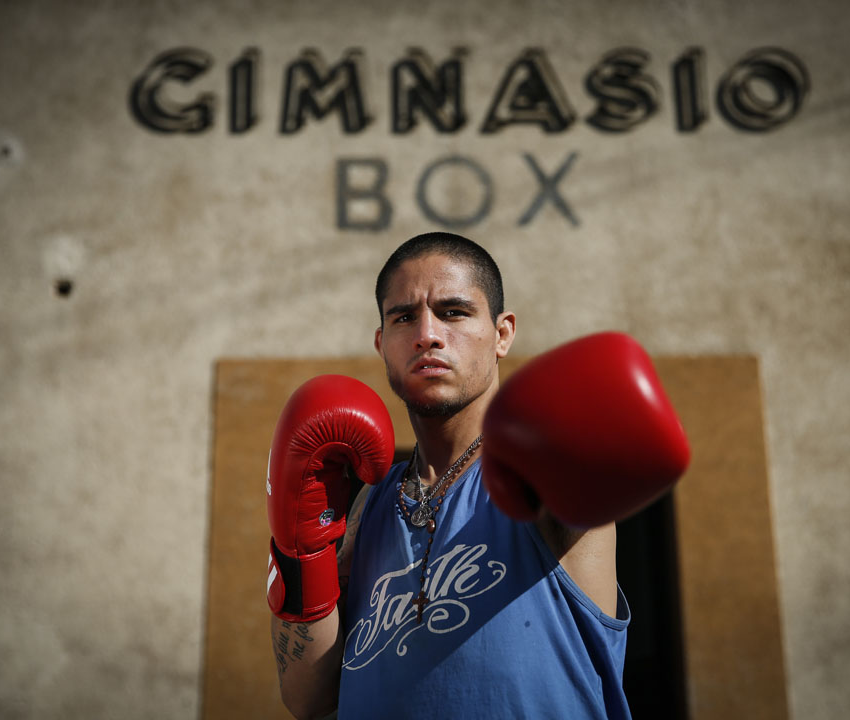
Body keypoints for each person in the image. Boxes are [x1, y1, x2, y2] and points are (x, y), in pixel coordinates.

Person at [265, 232, 689, 719]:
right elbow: (307, 699)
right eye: (404, 317)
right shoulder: (367, 506)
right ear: (382, 344)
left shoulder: (538, 469)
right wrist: (299, 551)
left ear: (503, 333)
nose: (427, 333)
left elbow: (609, 455)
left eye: (453, 312)